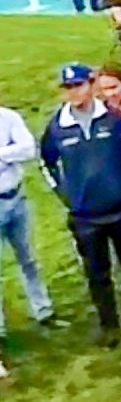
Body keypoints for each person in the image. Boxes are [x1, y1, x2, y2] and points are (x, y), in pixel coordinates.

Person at [41, 63, 121, 345]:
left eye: (79, 85)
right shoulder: (57, 127)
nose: (74, 92)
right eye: (68, 88)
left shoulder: (115, 118)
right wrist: (66, 196)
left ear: (91, 85)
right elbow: (47, 163)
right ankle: (110, 325)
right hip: (85, 216)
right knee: (97, 274)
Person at [0, 96, 58, 366]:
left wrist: (2, 154)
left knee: (29, 259)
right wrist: (9, 152)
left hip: (17, 198)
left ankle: (43, 311)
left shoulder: (9, 118)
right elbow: (18, 150)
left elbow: (28, 149)